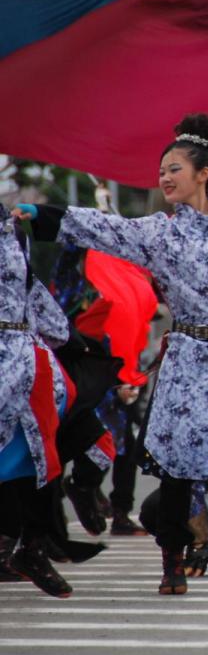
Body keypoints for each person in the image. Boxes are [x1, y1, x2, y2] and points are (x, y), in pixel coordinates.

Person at [14, 113, 208, 595]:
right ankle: (172, 561)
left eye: (174, 168)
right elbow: (102, 227)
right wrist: (45, 215)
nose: (165, 178)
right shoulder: (158, 231)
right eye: (161, 171)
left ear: (203, 174)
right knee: (179, 462)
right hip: (189, 357)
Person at [0, 215, 73, 597]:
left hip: (24, 359)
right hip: (15, 352)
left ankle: (30, 546)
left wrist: (56, 330)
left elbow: (32, 291)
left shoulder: (14, 232)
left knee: (37, 456)